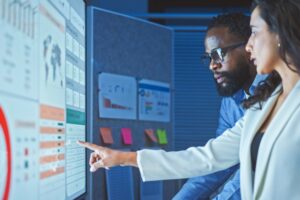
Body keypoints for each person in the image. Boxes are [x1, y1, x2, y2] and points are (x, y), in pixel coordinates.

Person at [78, 0, 300, 199]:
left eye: (254, 32)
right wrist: (123, 158)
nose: (251, 45)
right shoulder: (262, 103)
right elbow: (208, 159)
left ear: (279, 33)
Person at [174, 13, 266, 200]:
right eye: (208, 57)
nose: (212, 66)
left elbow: (255, 169)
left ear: (249, 47)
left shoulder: (278, 94)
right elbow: (217, 162)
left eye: (217, 54)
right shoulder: (230, 101)